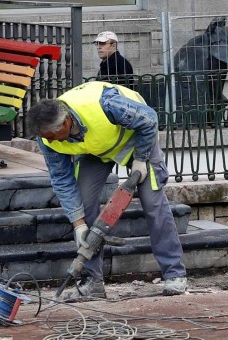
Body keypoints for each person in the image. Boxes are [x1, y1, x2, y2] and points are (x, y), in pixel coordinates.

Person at [26, 81, 187, 299]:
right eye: (44, 137)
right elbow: (62, 180)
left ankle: (174, 274)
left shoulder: (107, 104)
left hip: (137, 139)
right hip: (96, 150)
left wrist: (140, 159)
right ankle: (93, 282)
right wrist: (79, 224)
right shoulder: (47, 138)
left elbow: (149, 120)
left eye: (51, 136)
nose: (48, 141)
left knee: (152, 203)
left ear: (65, 123)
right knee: (83, 203)